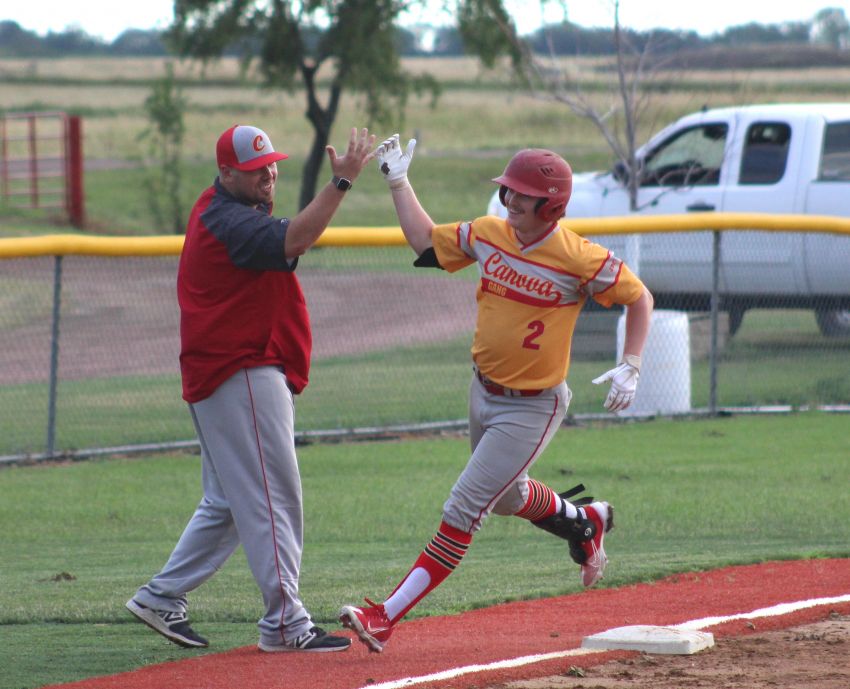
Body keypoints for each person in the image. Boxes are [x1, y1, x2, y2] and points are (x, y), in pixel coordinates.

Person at [339, 136, 654, 653]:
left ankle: (384, 616)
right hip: (482, 390)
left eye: (522, 195)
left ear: (551, 205)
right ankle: (585, 521)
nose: (510, 201)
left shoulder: (579, 257)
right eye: (507, 190)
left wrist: (633, 362)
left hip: (533, 404)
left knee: (464, 507)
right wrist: (397, 180)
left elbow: (640, 297)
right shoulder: (489, 234)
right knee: (506, 498)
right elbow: (425, 244)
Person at [127, 124, 376, 653]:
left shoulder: (218, 205)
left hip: (224, 373)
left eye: (271, 164)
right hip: (238, 372)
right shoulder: (228, 220)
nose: (268, 174)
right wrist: (342, 182)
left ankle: (160, 596)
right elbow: (297, 239)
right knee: (272, 496)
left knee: (229, 502)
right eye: (254, 169)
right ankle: (286, 623)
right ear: (225, 174)